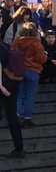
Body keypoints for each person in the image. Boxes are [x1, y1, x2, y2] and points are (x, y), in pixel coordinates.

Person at [13, 23, 46, 129]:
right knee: (30, 96)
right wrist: (45, 57)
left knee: (20, 94)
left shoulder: (17, 41)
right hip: (33, 70)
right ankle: (27, 118)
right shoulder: (36, 43)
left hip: (20, 70)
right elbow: (41, 59)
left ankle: (16, 116)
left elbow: (13, 54)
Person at [0, 23, 25, 158]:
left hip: (3, 85)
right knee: (12, 117)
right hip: (13, 82)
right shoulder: (5, 46)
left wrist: (2, 87)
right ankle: (19, 148)